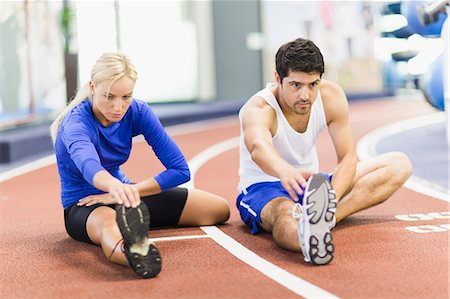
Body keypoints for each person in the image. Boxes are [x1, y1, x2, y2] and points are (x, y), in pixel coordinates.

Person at [50, 52, 230, 278]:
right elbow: (89, 166)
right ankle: (133, 253)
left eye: (126, 96)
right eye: (109, 96)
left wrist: (129, 191)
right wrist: (114, 189)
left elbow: (180, 169)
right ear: (92, 88)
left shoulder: (138, 111)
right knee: (108, 224)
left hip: (124, 196)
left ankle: (131, 222)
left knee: (217, 209)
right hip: (85, 205)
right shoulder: (75, 123)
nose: (118, 106)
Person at [236, 38, 412, 265]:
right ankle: (306, 239)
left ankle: (322, 220)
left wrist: (330, 200)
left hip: (312, 189)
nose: (305, 95)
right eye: (296, 85)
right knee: (285, 215)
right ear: (278, 79)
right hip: (264, 187)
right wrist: (285, 171)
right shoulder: (259, 109)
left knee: (398, 164)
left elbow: (347, 158)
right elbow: (258, 147)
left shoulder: (330, 96)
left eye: (313, 84)